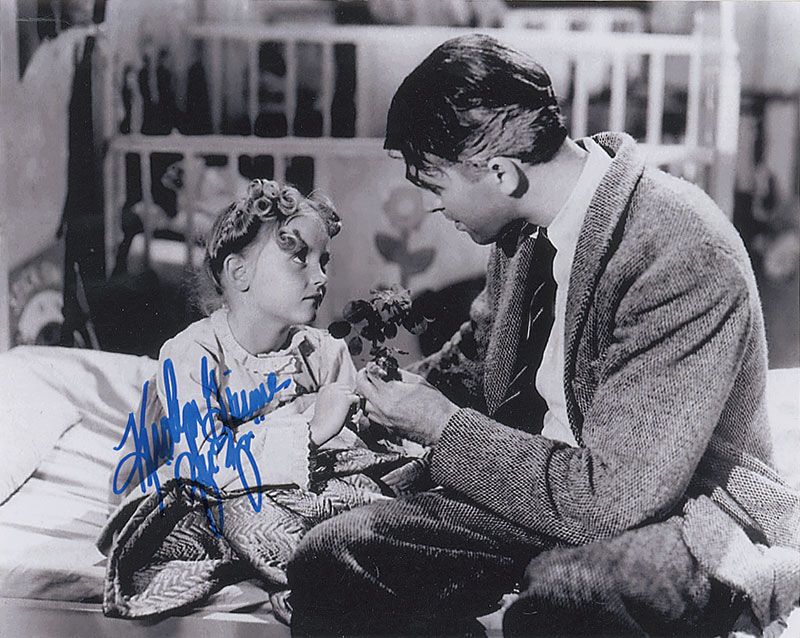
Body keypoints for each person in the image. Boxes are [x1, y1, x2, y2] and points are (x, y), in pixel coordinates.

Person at [287, 35, 800, 636]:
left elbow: (614, 502)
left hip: (684, 511)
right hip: (552, 493)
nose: (434, 209)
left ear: (501, 174)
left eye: (437, 188)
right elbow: (477, 363)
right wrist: (372, 394)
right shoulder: (523, 231)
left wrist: (440, 426)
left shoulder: (680, 251)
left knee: (568, 593)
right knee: (332, 557)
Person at [106, 179, 419, 621]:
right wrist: (311, 428)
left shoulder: (323, 351)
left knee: (373, 494)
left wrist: (370, 420)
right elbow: (203, 464)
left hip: (298, 495)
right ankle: (314, 571)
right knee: (230, 517)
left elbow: (349, 455)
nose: (320, 276)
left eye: (323, 261)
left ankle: (344, 562)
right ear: (239, 273)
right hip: (208, 489)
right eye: (299, 258)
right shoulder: (192, 353)